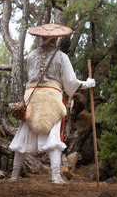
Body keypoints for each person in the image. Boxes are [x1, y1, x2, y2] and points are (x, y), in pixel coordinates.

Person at [9, 23, 96, 183]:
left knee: (23, 136)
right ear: (56, 39)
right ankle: (55, 176)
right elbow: (70, 84)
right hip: (52, 100)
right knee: (54, 137)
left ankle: (14, 176)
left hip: (31, 100)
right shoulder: (61, 56)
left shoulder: (31, 55)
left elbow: (30, 78)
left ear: (41, 38)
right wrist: (87, 83)